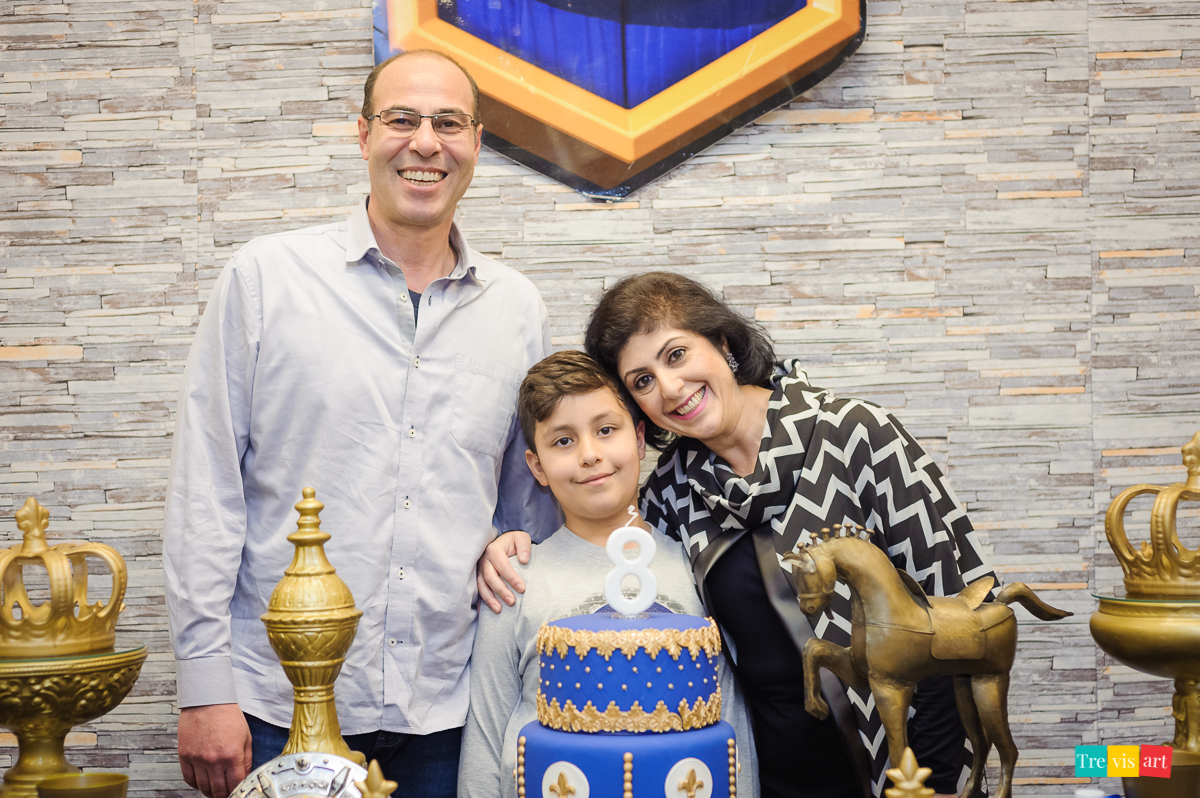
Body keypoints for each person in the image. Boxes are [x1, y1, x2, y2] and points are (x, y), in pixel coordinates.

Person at [163, 50, 559, 798]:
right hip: (272, 703)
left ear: (476, 140)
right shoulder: (265, 279)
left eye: (448, 123)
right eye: (401, 120)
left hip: (451, 710)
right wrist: (203, 684)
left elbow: (524, 512)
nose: (425, 143)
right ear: (362, 134)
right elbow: (206, 490)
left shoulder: (518, 308)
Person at [477, 272, 995, 798]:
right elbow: (607, 559)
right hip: (764, 777)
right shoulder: (673, 492)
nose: (670, 389)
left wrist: (934, 779)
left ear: (723, 343)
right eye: (642, 381)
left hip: (908, 771)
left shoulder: (855, 435)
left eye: (676, 356)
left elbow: (950, 618)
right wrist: (509, 542)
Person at [458, 350, 757, 798]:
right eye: (563, 441)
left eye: (605, 430)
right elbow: (486, 732)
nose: (590, 455)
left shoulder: (698, 562)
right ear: (536, 466)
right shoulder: (515, 577)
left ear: (639, 440)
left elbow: (729, 719)